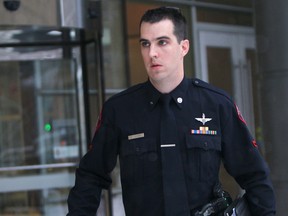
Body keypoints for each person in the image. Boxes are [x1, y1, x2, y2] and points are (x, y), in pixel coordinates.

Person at [67, 6, 276, 216]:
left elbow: (255, 175)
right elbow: (91, 176)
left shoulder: (216, 105)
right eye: (145, 44)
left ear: (184, 47)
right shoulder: (120, 110)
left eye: (162, 42)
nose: (152, 53)